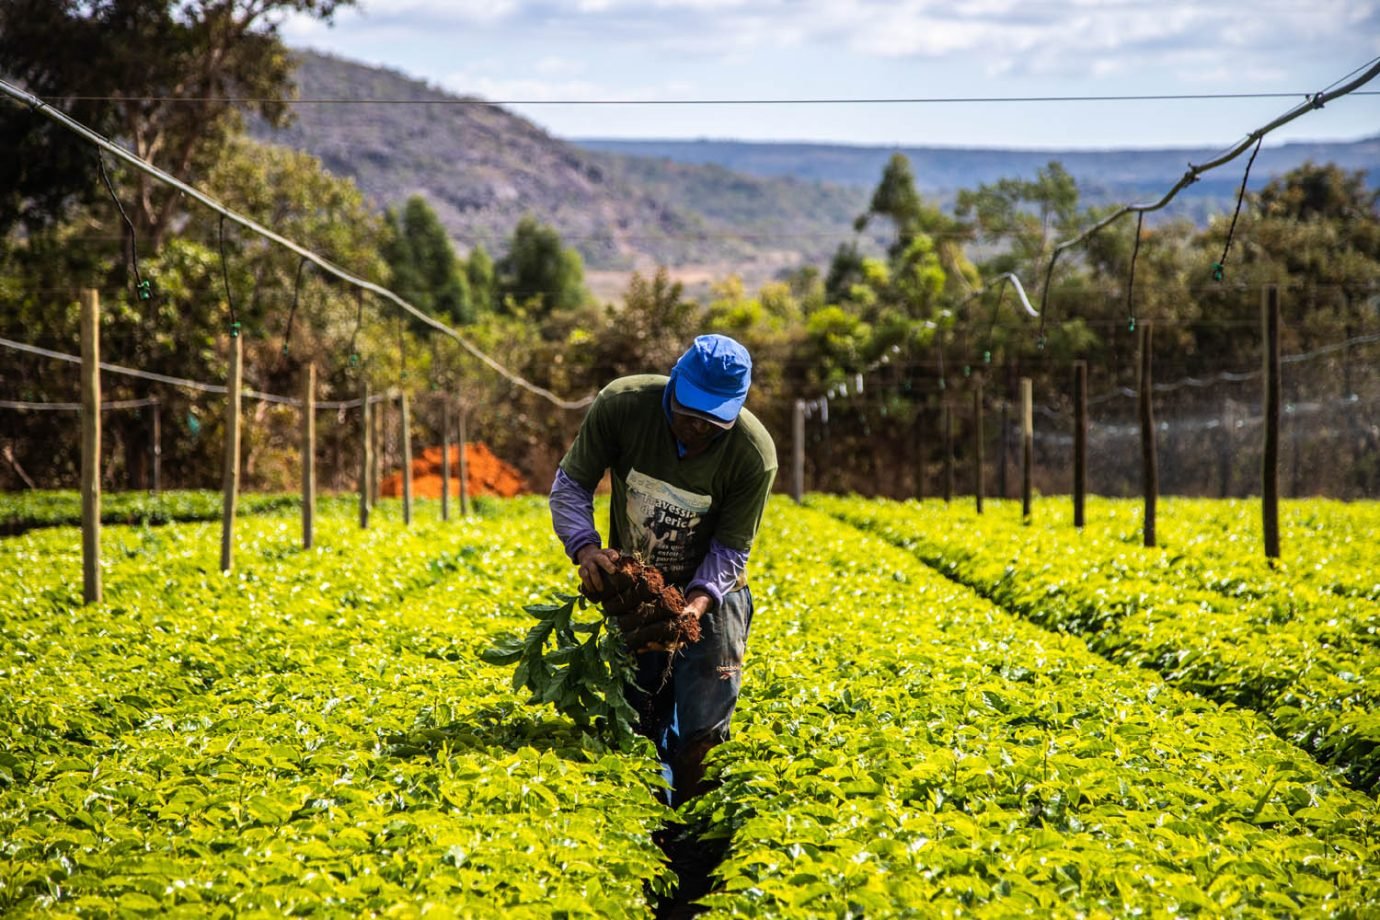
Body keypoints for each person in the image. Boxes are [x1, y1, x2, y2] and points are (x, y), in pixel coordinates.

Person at [549, 334, 777, 806]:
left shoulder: (753, 454)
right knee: (637, 716)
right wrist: (586, 549)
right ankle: (643, 820)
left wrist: (695, 606)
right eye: (688, 414)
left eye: (712, 421)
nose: (696, 429)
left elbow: (731, 548)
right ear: (673, 384)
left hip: (715, 595)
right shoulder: (623, 406)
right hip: (637, 591)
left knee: (703, 734)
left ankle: (693, 837)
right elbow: (571, 486)